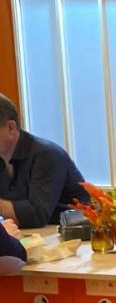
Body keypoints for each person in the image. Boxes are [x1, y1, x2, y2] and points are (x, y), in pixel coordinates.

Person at [0, 93, 89, 228]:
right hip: (31, 234)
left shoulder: (46, 154)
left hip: (71, 234)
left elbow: (37, 215)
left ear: (11, 128)